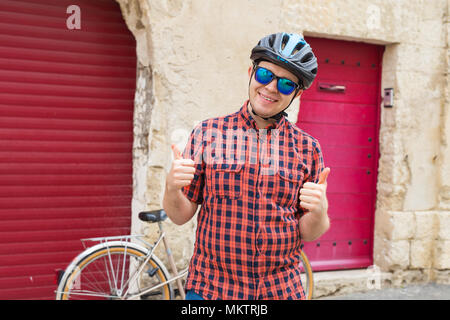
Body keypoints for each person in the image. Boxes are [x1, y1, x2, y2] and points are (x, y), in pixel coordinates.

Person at [163, 32, 330, 300]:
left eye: (287, 84)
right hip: (211, 290)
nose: (272, 88)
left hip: (280, 291)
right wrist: (171, 188)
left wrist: (320, 212)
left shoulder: (307, 148)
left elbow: (308, 231)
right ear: (251, 72)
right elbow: (180, 215)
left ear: (297, 93)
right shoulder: (208, 133)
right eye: (266, 75)